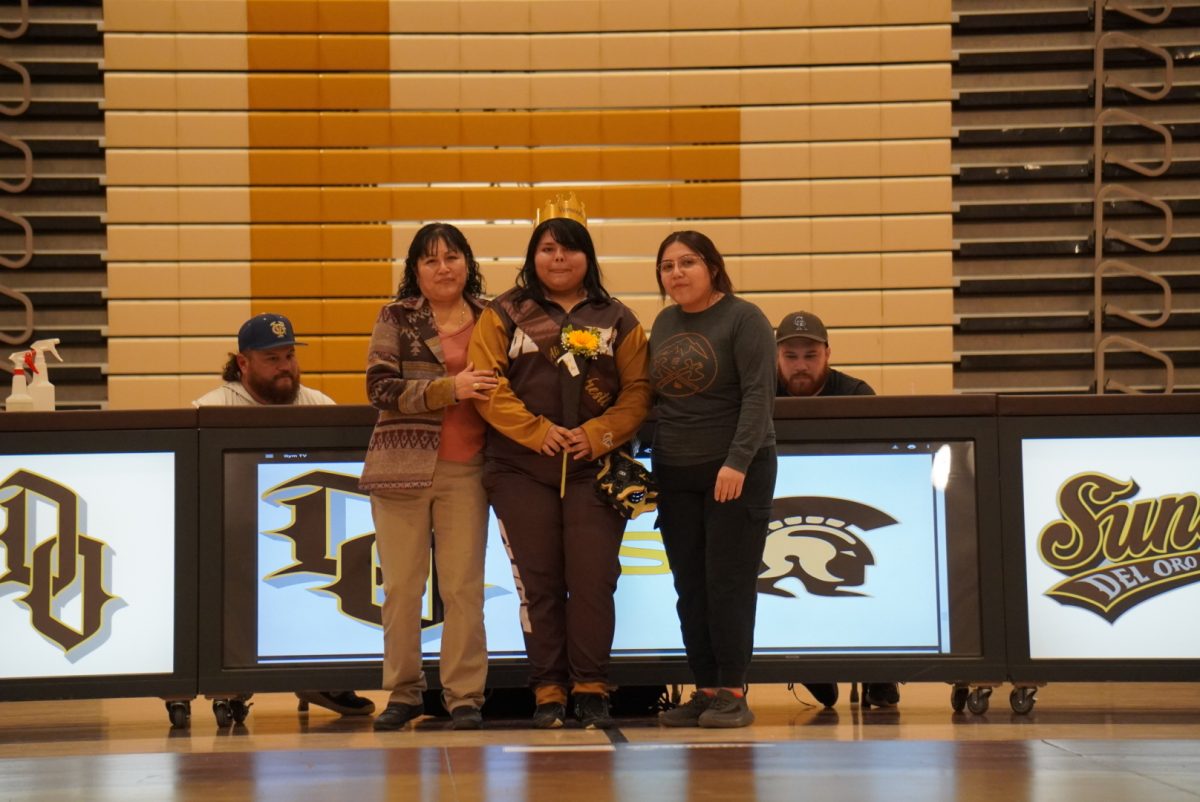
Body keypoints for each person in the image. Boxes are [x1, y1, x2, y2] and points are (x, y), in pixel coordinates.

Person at [468, 212, 651, 730]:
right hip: (520, 468)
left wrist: (597, 435)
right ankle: (548, 688)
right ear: (533, 259)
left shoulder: (618, 318)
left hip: (595, 470)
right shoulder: (503, 312)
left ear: (588, 258)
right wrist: (534, 431)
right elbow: (486, 383)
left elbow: (639, 391)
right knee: (540, 582)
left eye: (569, 249)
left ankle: (591, 686)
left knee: (594, 579)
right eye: (547, 250)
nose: (558, 259)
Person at [193, 312, 375, 718]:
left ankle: (322, 678)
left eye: (290, 356)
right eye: (272, 359)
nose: (286, 367)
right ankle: (233, 686)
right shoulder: (211, 408)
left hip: (306, 529)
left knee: (347, 562)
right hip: (237, 531)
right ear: (243, 363)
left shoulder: (318, 403)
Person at [360, 223, 498, 731]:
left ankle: (464, 696)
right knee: (401, 588)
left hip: (469, 469)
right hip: (401, 469)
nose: (444, 268)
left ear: (468, 262)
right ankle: (403, 692)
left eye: (453, 257)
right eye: (431, 259)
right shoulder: (396, 316)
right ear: (414, 270)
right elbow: (379, 388)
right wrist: (449, 388)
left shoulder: (492, 316)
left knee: (464, 589)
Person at [649, 231, 778, 729]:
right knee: (690, 586)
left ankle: (733, 691)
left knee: (728, 584)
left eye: (687, 262)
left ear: (712, 267)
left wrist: (738, 461)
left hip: (735, 470)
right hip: (675, 471)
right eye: (667, 266)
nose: (677, 273)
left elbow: (758, 396)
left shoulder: (745, 319)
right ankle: (704, 689)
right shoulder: (662, 323)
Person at [775, 310, 899, 710]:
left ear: (827, 353)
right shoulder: (758, 391)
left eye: (810, 355)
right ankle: (815, 670)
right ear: (776, 357)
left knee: (871, 580)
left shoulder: (856, 393)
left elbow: (879, 462)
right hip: (780, 501)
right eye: (790, 356)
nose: (800, 365)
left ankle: (879, 672)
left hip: (844, 503)